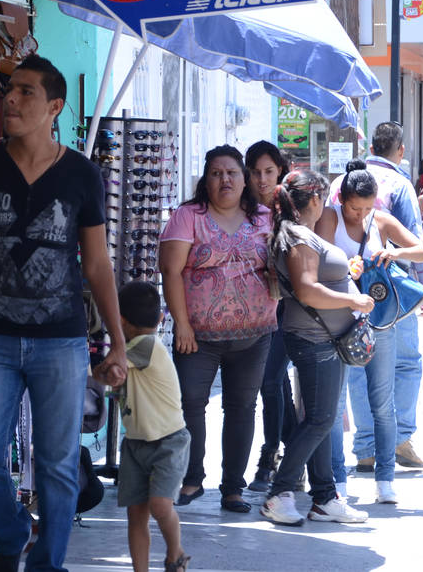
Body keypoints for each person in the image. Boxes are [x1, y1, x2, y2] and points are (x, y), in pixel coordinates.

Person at [0, 55, 127, 572]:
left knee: (58, 465)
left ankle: (46, 564)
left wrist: (118, 341)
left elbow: (98, 263)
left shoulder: (83, 175)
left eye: (25, 92)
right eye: (9, 90)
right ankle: (13, 534)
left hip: (61, 341)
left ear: (54, 107)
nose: (9, 99)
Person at [159, 145, 276, 513]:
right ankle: (192, 479)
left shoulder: (264, 218)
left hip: (254, 334)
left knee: (242, 407)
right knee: (191, 404)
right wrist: (182, 325)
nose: (224, 179)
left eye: (232, 173)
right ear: (205, 180)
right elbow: (171, 272)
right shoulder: (187, 216)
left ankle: (233, 489)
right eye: (216, 173)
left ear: (244, 180)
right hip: (197, 335)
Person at [260, 170, 372, 526]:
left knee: (321, 420)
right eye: (323, 200)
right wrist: (353, 301)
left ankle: (324, 497)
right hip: (314, 337)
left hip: (323, 337)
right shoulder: (298, 238)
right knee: (322, 418)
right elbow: (307, 289)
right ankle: (280, 492)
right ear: (314, 200)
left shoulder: (299, 235)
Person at [318, 160, 423, 502]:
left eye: (368, 207)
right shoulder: (329, 218)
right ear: (342, 200)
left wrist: (393, 252)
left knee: (382, 403)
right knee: (336, 405)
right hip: (338, 321)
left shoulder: (380, 220)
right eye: (355, 207)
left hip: (378, 321)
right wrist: (345, 265)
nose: (361, 214)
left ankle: (385, 479)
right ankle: (337, 479)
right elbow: (318, 261)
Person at [109, 281, 191, 572]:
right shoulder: (135, 349)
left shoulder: (146, 346)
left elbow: (107, 369)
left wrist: (104, 369)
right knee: (136, 515)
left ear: (118, 319)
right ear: (160, 319)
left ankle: (175, 552)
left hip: (169, 443)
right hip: (135, 443)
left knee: (159, 506)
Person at [244, 141, 297, 492]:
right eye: (256, 172)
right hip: (248, 311)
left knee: (270, 382)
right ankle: (296, 454)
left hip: (288, 310)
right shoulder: (239, 209)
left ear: (280, 171)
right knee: (277, 385)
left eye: (269, 171)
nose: (262, 179)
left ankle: (270, 453)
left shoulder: (290, 209)